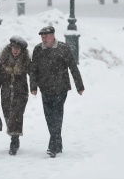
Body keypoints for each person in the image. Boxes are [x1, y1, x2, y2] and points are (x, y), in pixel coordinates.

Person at [29, 25, 84, 158]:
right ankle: (57, 142)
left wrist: (79, 85)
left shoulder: (63, 48)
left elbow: (73, 67)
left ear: (53, 36)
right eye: (42, 37)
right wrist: (33, 86)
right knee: (49, 118)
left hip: (61, 88)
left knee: (57, 115)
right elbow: (33, 69)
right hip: (45, 89)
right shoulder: (38, 49)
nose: (44, 39)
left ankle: (52, 146)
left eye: (46, 36)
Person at [0, 35, 31, 155]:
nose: (15, 50)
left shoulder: (25, 61)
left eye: (18, 48)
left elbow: (33, 75)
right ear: (10, 47)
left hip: (21, 93)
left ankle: (14, 141)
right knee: (8, 116)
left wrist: (36, 86)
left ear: (22, 50)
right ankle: (14, 137)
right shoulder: (4, 59)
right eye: (14, 47)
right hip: (6, 94)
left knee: (17, 116)